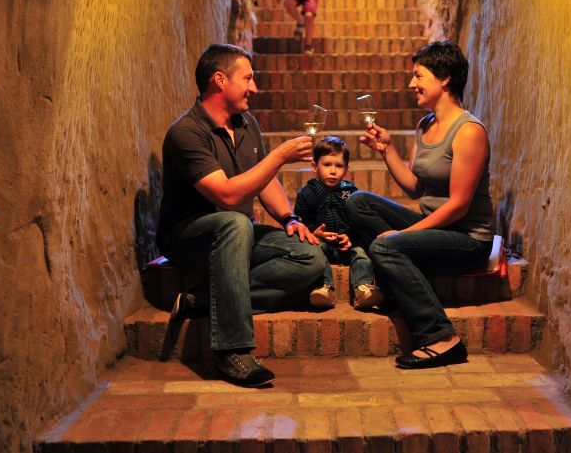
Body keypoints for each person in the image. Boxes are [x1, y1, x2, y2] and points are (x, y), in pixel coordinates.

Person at [157, 43, 327, 387]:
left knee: (309, 256)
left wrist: (289, 220)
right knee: (234, 220)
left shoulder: (246, 123)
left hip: (238, 235)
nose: (255, 87)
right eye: (248, 78)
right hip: (190, 236)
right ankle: (231, 352)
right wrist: (278, 156)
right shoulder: (186, 133)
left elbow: (264, 181)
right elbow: (228, 194)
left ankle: (204, 300)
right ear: (220, 80)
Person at [345, 41, 495, 369]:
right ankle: (401, 263)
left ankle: (442, 337)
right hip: (434, 226)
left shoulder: (469, 131)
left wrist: (402, 236)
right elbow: (415, 188)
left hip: (466, 238)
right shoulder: (425, 125)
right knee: (357, 202)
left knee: (385, 249)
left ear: (444, 79)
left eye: (418, 76)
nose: (411, 84)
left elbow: (457, 206)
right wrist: (387, 150)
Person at [294, 136, 385, 310]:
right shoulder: (308, 193)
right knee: (314, 251)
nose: (333, 171)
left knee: (361, 252)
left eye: (339, 166)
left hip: (346, 244)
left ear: (346, 169)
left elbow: (359, 220)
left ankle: (363, 288)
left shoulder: (349, 192)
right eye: (327, 165)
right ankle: (324, 287)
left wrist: (350, 237)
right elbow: (300, 221)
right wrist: (314, 233)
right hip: (321, 242)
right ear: (314, 166)